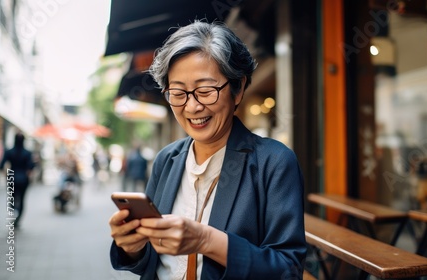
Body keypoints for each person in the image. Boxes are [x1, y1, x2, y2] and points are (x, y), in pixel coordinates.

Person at [108, 20, 306, 279]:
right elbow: (152, 264)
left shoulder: (274, 161)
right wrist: (131, 247)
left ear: (238, 89)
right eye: (178, 93)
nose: (192, 107)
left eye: (205, 90)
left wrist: (206, 240)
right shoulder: (166, 159)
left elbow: (288, 270)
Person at [0, 132, 35, 228]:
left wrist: (6, 173)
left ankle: (14, 211)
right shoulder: (27, 153)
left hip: (12, 178)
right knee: (22, 199)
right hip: (24, 179)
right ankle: (18, 217)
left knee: (12, 198)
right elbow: (31, 167)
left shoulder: (9, 151)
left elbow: (1, 165)